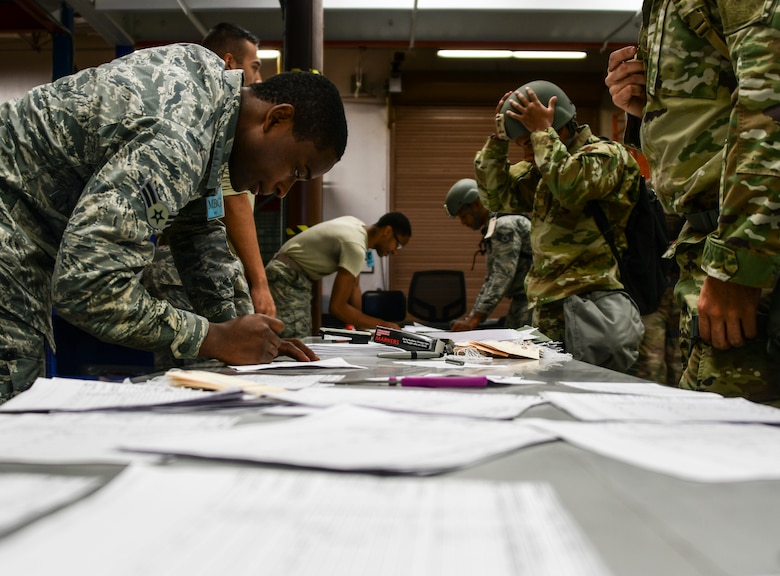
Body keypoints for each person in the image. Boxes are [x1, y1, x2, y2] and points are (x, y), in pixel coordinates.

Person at [0, 42, 348, 402]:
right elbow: (88, 288)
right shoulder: (179, 140)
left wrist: (249, 335)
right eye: (295, 171)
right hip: (9, 220)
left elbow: (198, 233)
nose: (282, 191)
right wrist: (215, 337)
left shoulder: (210, 102)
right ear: (277, 118)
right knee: (12, 396)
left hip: (24, 221)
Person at [605, 1, 780, 403]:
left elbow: (769, 102)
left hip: (750, 249)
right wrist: (646, 109)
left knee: (732, 445)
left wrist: (737, 264)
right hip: (710, 241)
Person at [474, 80, 644, 372]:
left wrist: (541, 133)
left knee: (592, 394)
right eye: (521, 145)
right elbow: (495, 196)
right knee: (547, 395)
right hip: (545, 303)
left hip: (591, 301)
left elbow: (571, 187)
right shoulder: (543, 165)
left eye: (528, 143)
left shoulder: (606, 155)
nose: (527, 153)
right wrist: (498, 140)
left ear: (558, 125)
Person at [141, 23, 273, 369]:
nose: (258, 79)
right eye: (255, 66)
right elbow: (233, 200)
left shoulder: (218, 120)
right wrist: (260, 282)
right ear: (230, 63)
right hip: (183, 262)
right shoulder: (203, 120)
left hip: (211, 257)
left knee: (230, 363)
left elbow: (201, 221)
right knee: (196, 370)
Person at [266, 212, 411, 338]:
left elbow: (354, 287)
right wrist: (384, 325)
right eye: (398, 245)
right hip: (287, 276)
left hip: (290, 274)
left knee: (297, 339)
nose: (396, 252)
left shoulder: (356, 226)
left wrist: (362, 329)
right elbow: (337, 307)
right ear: (387, 230)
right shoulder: (355, 245)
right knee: (295, 339)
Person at [444, 178, 532, 331]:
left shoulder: (504, 225)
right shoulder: (496, 223)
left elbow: (502, 275)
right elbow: (492, 278)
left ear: (476, 204)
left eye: (463, 216)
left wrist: (475, 319)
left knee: (529, 348)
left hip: (534, 302)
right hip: (523, 300)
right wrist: (473, 317)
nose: (463, 222)